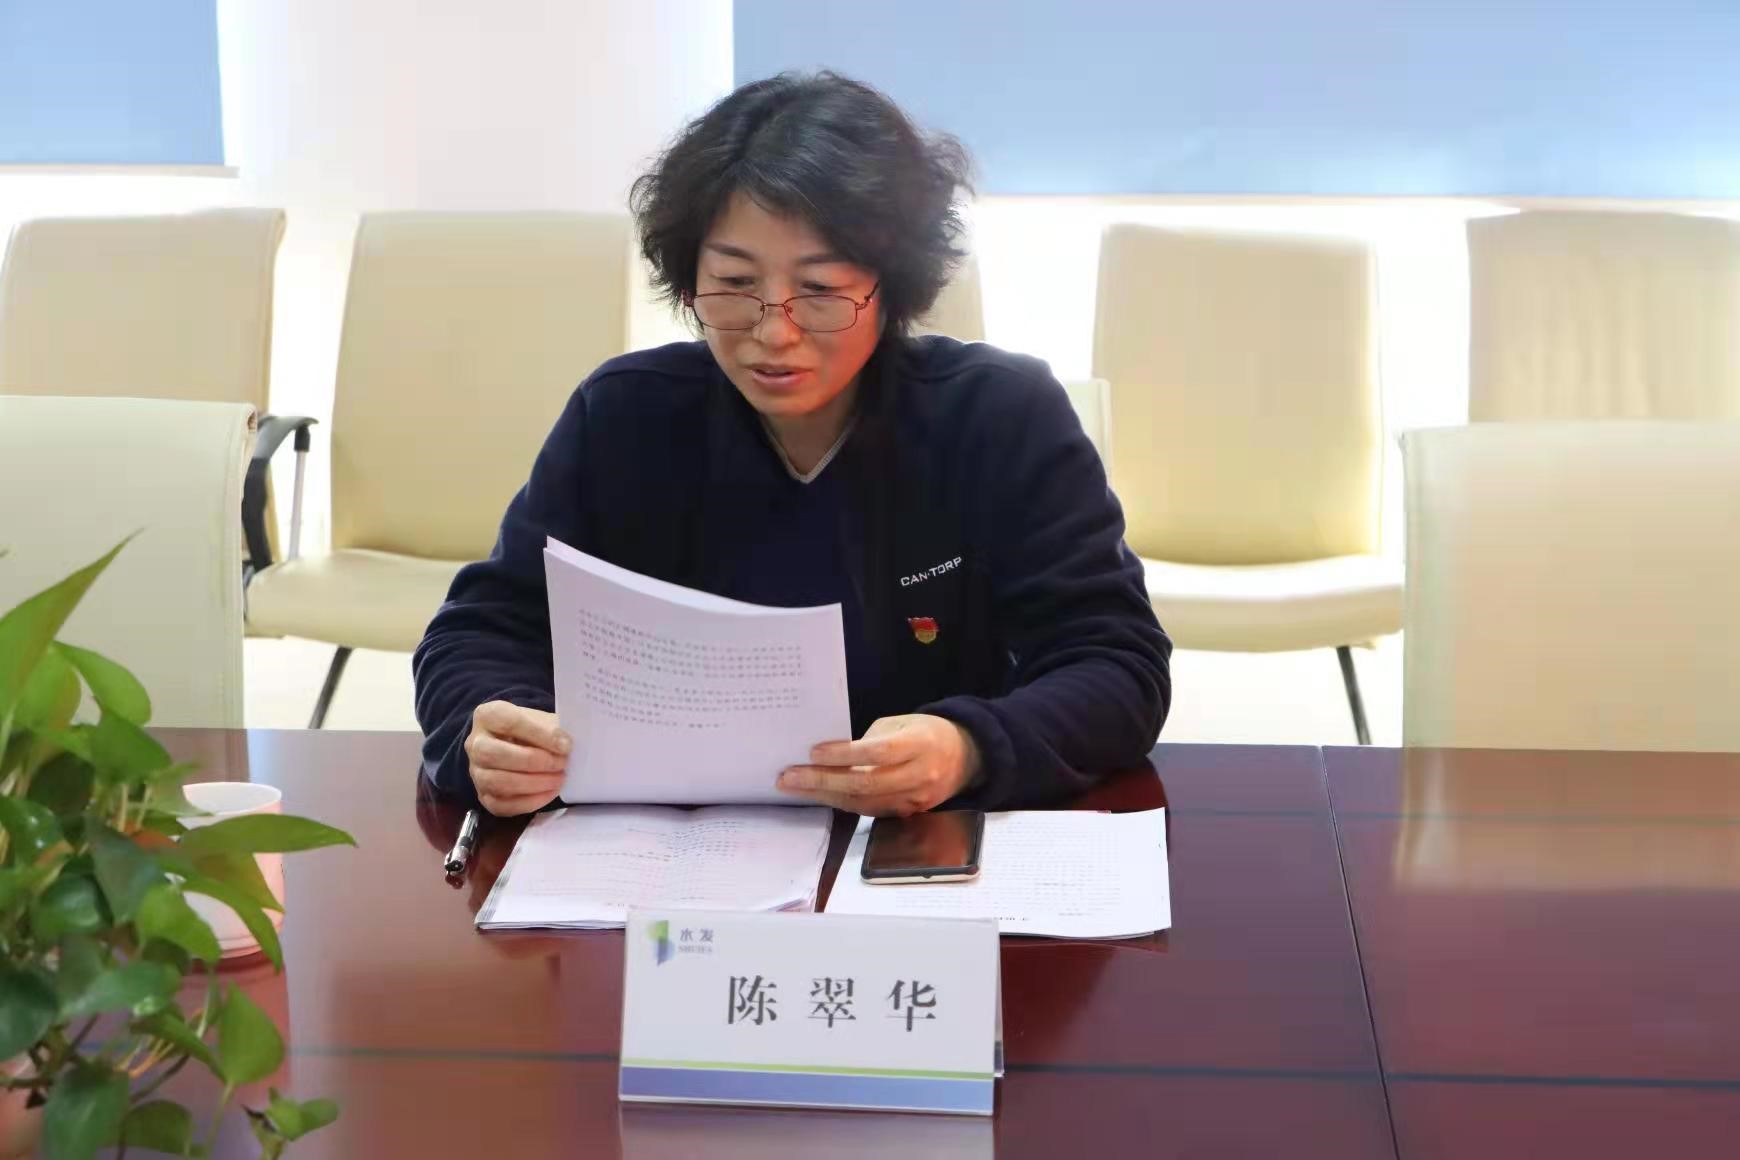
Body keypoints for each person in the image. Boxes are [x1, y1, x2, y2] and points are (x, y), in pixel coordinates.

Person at [413, 71, 1170, 819]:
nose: (774, 332)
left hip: (923, 838)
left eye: (820, 289)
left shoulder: (999, 415)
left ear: (892, 289)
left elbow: (1116, 661)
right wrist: (493, 728)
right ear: (688, 283)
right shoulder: (624, 416)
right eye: (735, 283)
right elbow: (482, 630)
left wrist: (968, 746)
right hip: (669, 849)